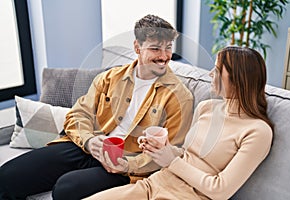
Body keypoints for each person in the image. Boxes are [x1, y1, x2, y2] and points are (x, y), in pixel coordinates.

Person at [0, 14, 193, 200]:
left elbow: (171, 152)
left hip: (125, 163)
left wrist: (127, 165)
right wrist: (90, 142)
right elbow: (77, 115)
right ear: (137, 47)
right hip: (88, 146)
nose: (164, 56)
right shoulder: (110, 78)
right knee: (7, 177)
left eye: (168, 48)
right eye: (155, 49)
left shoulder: (180, 97)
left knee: (66, 189)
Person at [84, 46, 274, 200]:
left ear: (238, 78)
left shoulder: (257, 131)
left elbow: (220, 190)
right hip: (153, 185)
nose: (210, 74)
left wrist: (171, 161)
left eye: (217, 70)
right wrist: (160, 149)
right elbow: (186, 154)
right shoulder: (206, 107)